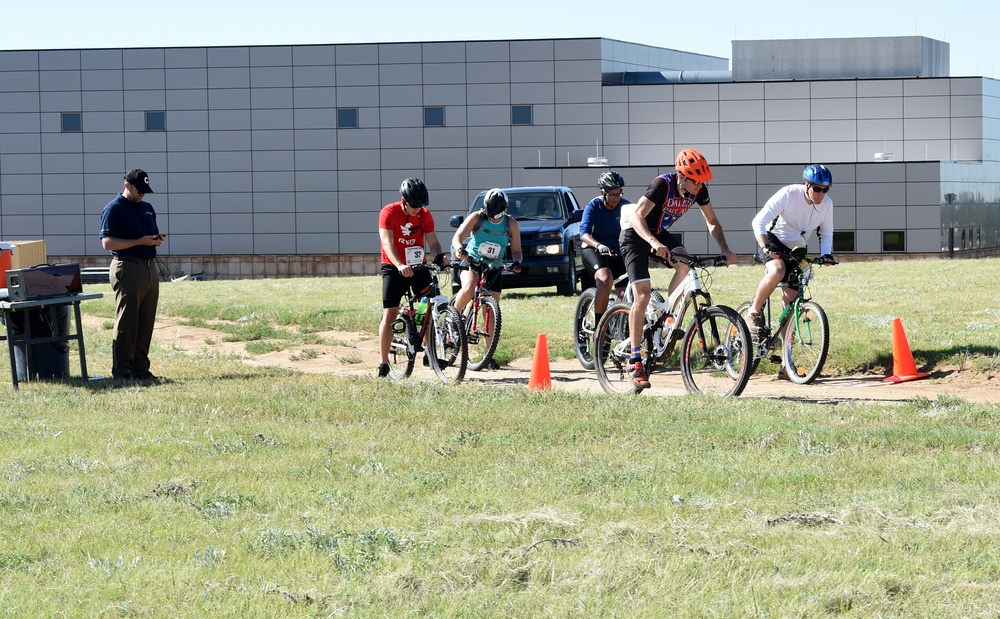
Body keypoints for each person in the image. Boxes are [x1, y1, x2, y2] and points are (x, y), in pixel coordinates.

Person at [618, 149, 736, 390]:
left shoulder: (699, 190)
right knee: (642, 292)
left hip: (659, 234)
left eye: (702, 182)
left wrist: (725, 247)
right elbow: (637, 217)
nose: (699, 186)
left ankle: (665, 314)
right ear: (682, 176)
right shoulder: (662, 184)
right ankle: (635, 359)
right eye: (695, 180)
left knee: (685, 264)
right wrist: (653, 243)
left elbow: (712, 221)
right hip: (635, 236)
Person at [747, 164, 836, 335]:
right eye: (817, 189)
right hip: (773, 240)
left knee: (791, 305)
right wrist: (765, 246)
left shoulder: (827, 204)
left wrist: (826, 255)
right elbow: (758, 221)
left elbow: (826, 232)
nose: (821, 194)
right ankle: (754, 312)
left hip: (797, 247)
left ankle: (786, 356)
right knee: (778, 271)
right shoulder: (789, 194)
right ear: (807, 185)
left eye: (826, 190)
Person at [377, 178, 448, 378]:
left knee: (428, 303)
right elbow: (387, 242)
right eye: (414, 206)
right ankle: (383, 363)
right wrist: (399, 265)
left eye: (421, 206)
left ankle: (429, 353)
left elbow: (433, 241)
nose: (418, 210)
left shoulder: (424, 215)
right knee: (389, 313)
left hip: (417, 265)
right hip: (393, 266)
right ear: (404, 201)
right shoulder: (389, 213)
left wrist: (439, 257)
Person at [99, 168, 164, 381]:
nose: (142, 194)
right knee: (127, 321)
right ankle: (122, 370)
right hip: (126, 267)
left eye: (145, 190)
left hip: (148, 267)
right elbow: (107, 242)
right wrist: (138, 242)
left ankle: (141, 369)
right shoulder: (114, 208)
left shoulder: (147, 208)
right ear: (127, 185)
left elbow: (147, 234)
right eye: (139, 190)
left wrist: (155, 240)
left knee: (146, 320)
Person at [451, 188, 523, 370]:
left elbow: (517, 251)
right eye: (489, 213)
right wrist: (460, 249)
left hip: (494, 268)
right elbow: (457, 237)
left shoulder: (510, 224)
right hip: (472, 261)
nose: (492, 218)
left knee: (490, 312)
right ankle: (452, 316)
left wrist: (517, 262)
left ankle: (488, 355)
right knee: (469, 288)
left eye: (496, 215)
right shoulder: (477, 217)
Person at [580, 170, 630, 326]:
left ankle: (624, 324)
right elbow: (584, 234)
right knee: (605, 280)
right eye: (612, 194)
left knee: (627, 290)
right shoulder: (594, 206)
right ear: (603, 192)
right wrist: (599, 245)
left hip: (618, 251)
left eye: (618, 194)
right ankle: (599, 325)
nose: (616, 198)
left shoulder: (626, 206)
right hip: (594, 249)